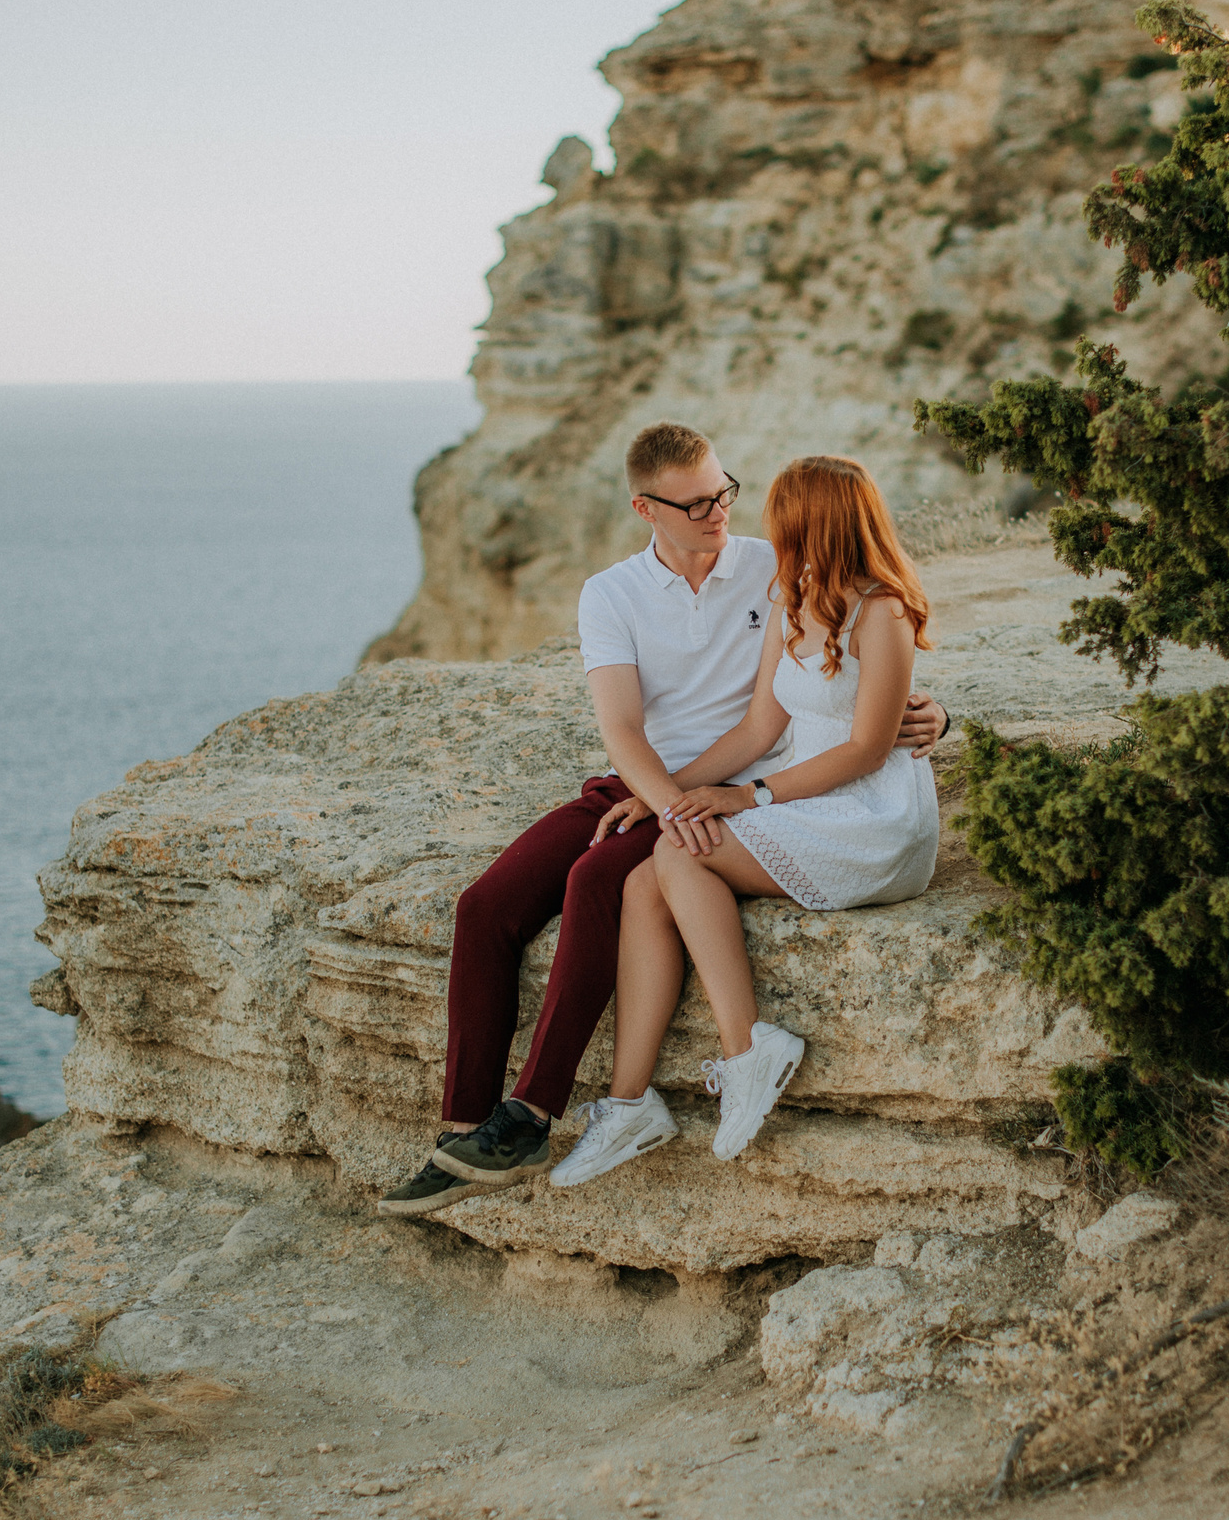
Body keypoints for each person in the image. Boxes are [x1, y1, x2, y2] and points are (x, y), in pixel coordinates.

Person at [376, 425, 948, 1216]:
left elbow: (859, 655)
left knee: (601, 878)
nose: (720, 511)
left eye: (725, 492)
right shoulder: (611, 592)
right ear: (647, 507)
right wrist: (656, 795)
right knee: (486, 906)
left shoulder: (771, 568)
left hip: (732, 787)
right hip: (649, 781)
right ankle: (468, 1128)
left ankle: (532, 1113)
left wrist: (935, 716)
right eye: (699, 501)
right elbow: (623, 730)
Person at [548, 454, 940, 1186]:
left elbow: (867, 748)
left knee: (679, 855)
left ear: (813, 521)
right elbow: (759, 726)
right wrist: (670, 791)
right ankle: (629, 1101)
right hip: (807, 798)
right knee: (647, 880)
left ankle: (745, 1048)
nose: (768, 530)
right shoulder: (791, 597)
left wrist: (747, 796)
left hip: (871, 818)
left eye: (782, 518)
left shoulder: (881, 609)